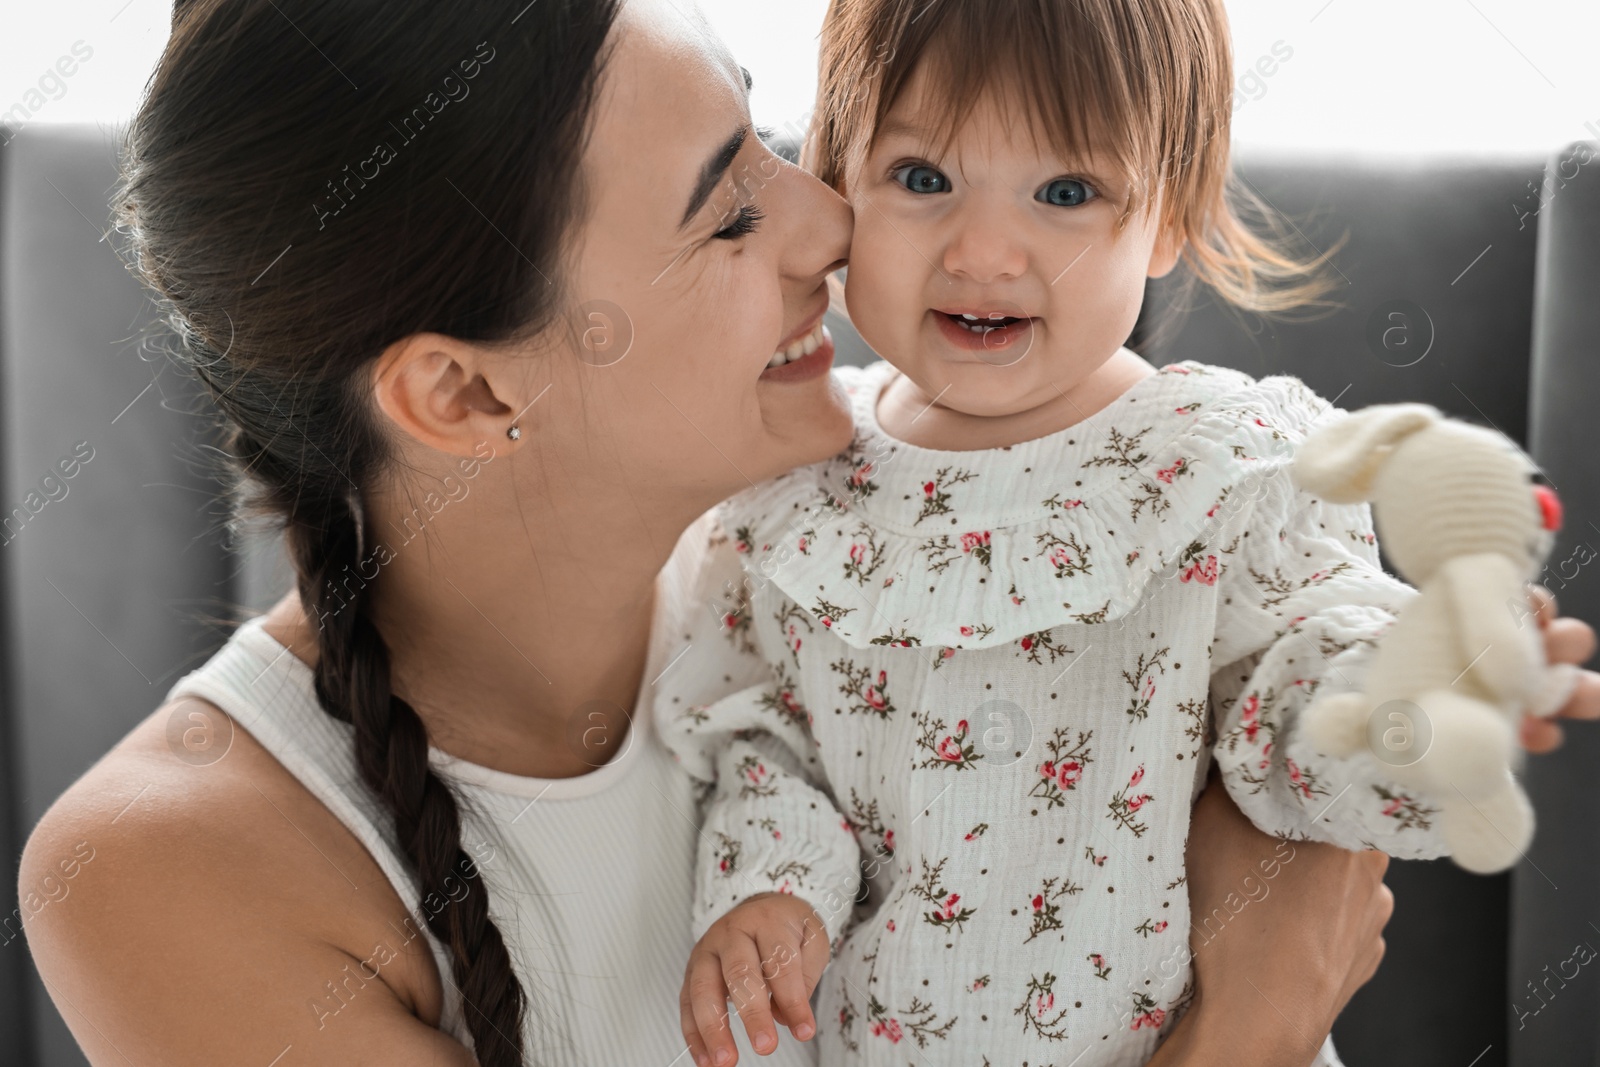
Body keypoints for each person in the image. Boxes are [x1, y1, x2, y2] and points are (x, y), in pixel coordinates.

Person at [17, 1, 1597, 1066]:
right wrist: (1241, 1027)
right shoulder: (161, 869)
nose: (835, 222)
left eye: (778, 139)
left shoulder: (1021, 512)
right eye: (728, 204)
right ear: (463, 391)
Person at [666, 1, 1600, 1065]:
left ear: (1170, 216)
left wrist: (1409, 704)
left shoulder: (1217, 463)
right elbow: (759, 738)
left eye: (1065, 192)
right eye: (922, 178)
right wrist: (770, 889)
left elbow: (1291, 702)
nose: (981, 251)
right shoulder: (793, 484)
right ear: (837, 184)